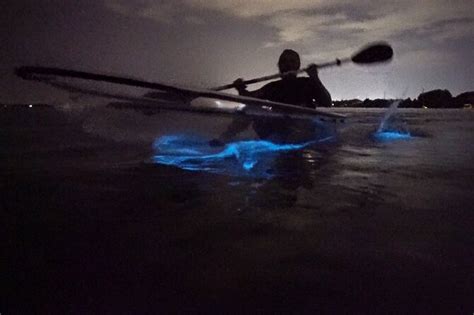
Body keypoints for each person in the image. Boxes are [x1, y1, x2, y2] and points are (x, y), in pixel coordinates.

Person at [211, 49, 332, 145]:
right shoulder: (272, 87)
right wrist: (241, 89)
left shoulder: (308, 82)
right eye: (284, 62)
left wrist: (315, 77)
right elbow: (250, 99)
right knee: (249, 109)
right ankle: (223, 139)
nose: (288, 64)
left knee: (302, 120)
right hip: (277, 130)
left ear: (298, 65)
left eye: (292, 61)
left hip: (302, 130)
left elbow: (327, 102)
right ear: (279, 66)